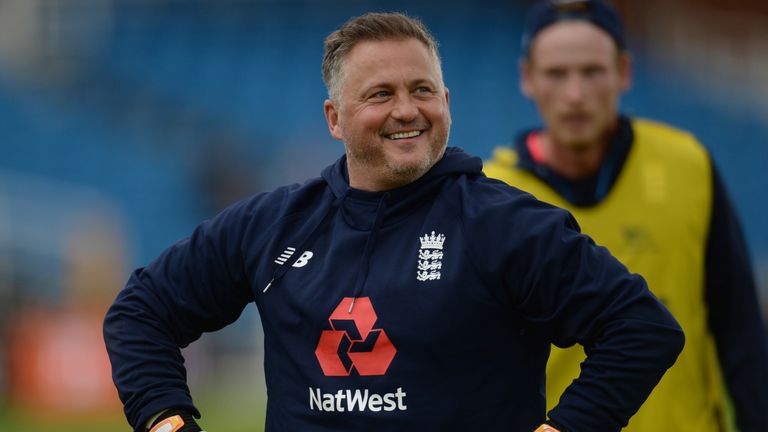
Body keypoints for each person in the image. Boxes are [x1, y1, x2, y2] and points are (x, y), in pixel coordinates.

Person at [104, 12, 685, 432]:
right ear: (335, 118)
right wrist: (165, 420)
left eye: (422, 90)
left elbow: (642, 329)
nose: (406, 110)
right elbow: (141, 311)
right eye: (380, 93)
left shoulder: (509, 225)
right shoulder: (274, 223)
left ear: (447, 102)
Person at [483, 1, 768, 431]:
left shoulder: (687, 165)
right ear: (527, 79)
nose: (575, 94)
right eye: (557, 74)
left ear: (624, 72)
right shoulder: (493, 197)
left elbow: (740, 334)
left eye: (592, 72)